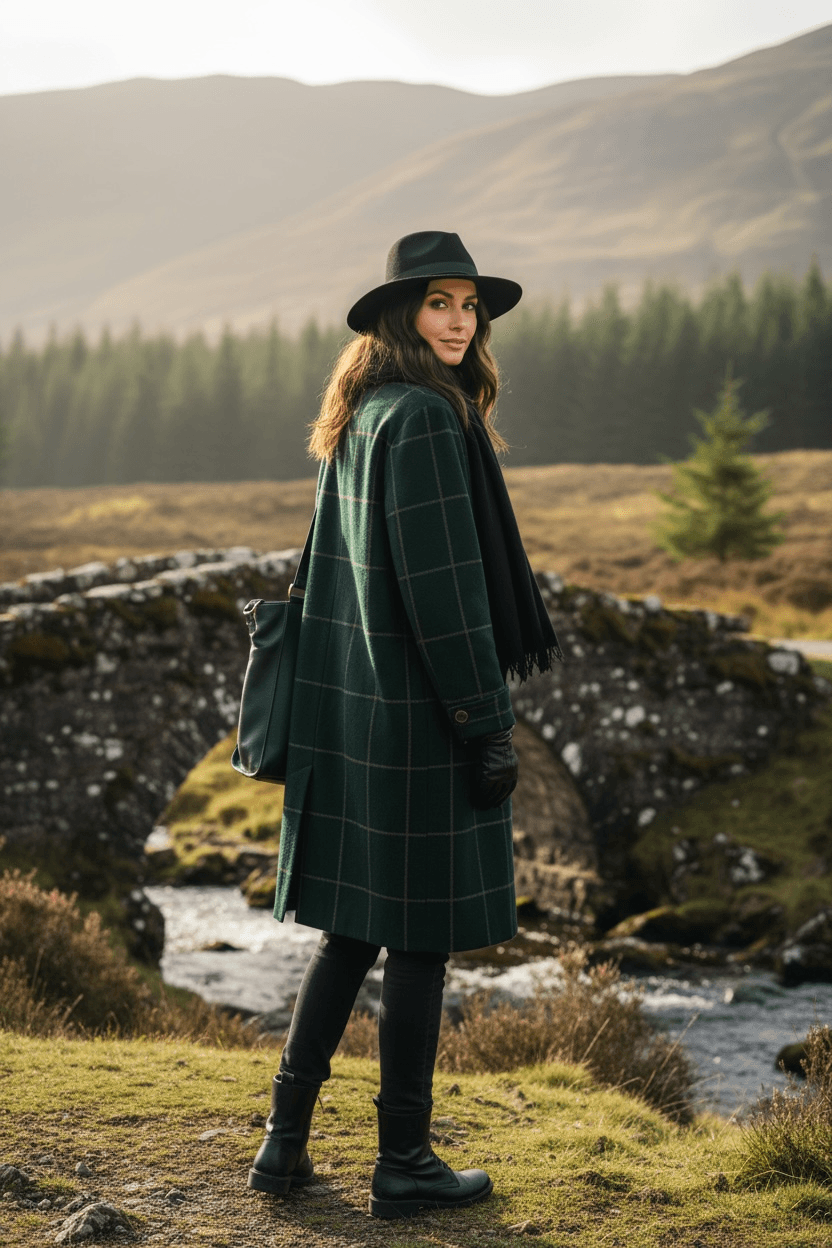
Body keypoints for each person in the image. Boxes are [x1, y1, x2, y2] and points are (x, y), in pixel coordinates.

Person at [247, 231, 561, 1219]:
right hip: (419, 720)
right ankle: (405, 1160)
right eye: (441, 303)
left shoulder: (365, 412)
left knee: (350, 934)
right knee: (420, 939)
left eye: (470, 305)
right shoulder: (425, 419)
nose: (461, 320)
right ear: (402, 316)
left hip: (356, 713)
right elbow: (445, 596)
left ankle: (282, 1145)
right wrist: (485, 723)